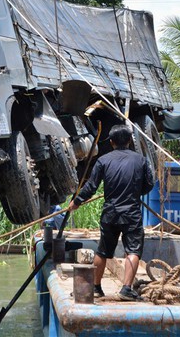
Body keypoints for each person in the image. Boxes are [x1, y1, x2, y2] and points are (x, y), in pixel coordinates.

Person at [68, 124, 154, 301]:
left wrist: (77, 201)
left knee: (103, 251)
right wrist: (136, 192)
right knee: (133, 250)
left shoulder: (103, 160)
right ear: (130, 141)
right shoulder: (141, 160)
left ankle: (96, 287)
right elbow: (149, 184)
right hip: (131, 212)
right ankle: (126, 289)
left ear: (112, 142)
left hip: (110, 213)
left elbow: (91, 186)